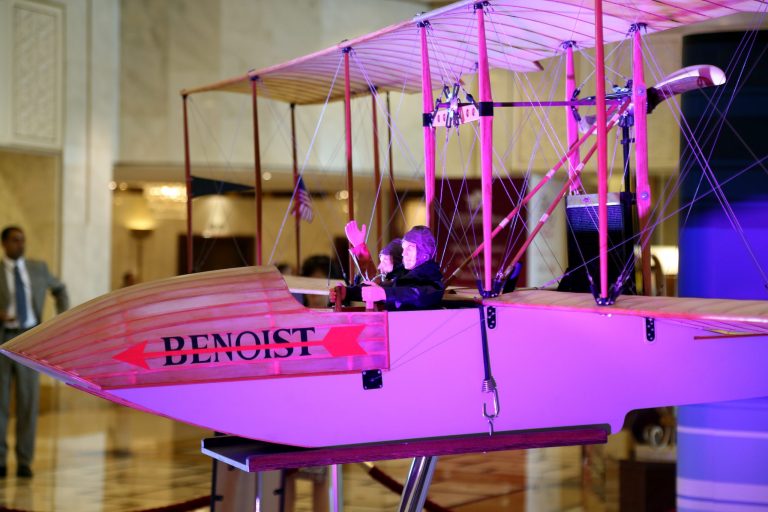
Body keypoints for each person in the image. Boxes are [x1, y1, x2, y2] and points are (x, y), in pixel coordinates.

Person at [0, 226, 68, 478]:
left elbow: (60, 289)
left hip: (29, 341)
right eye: (16, 241)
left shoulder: (37, 268)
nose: (21, 244)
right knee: (2, 405)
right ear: (4, 244)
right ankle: (0, 460)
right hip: (3, 340)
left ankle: (25, 461)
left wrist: (60, 321)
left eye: (23, 240)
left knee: (29, 403)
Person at [361, 225, 444, 310]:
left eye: (410, 248)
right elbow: (376, 288)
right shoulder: (402, 280)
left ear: (424, 256)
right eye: (404, 248)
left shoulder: (434, 284)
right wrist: (347, 292)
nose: (403, 253)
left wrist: (385, 293)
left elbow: (417, 294)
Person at [329, 237, 405, 305]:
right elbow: (376, 284)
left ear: (398, 262)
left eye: (385, 261)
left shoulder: (402, 286)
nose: (379, 266)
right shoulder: (391, 284)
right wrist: (347, 292)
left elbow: (379, 289)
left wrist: (348, 292)